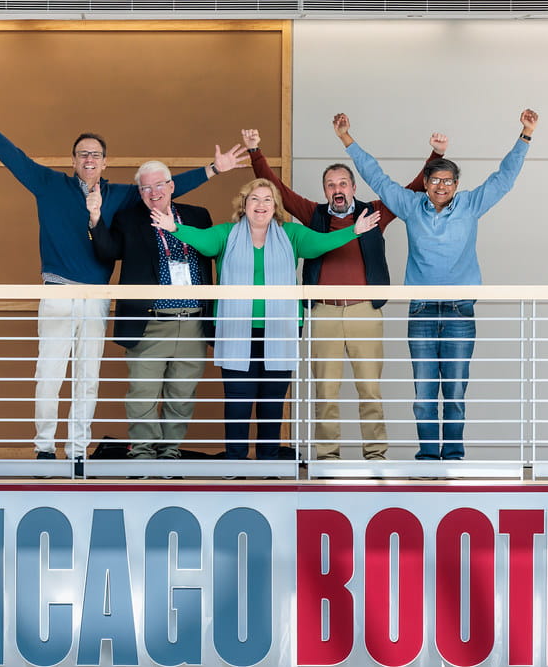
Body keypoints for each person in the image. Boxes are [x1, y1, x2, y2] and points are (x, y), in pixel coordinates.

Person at [0, 89, 245, 470]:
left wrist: (214, 169)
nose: (89, 159)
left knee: (87, 377)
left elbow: (161, 191)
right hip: (58, 290)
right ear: (73, 160)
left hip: (98, 297)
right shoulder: (48, 185)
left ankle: (76, 451)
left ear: (105, 163)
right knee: (50, 372)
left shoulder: (120, 196)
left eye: (95, 155)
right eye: (82, 154)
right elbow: (16, 160)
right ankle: (44, 448)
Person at [334, 109, 538, 461]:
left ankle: (454, 457)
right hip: (422, 312)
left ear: (456, 185)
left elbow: (504, 178)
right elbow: (377, 179)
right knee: (425, 393)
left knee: (455, 391)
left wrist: (526, 134)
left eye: (448, 181)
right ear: (425, 184)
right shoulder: (412, 206)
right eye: (435, 180)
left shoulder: (471, 205)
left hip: (460, 312)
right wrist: (346, 140)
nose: (441, 186)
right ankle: (429, 458)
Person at [240, 126, 446, 462]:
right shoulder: (314, 215)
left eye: (342, 183)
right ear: (325, 190)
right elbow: (277, 189)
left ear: (353, 187)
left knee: (370, 391)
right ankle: (327, 459)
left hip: (365, 311)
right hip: (323, 313)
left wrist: (435, 156)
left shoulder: (374, 212)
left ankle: (376, 456)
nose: (337, 189)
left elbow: (410, 191)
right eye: (331, 185)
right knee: (326, 393)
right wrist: (255, 152)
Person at [149, 178, 380, 461]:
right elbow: (204, 243)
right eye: (254, 199)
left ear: (276, 206)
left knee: (272, 403)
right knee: (237, 404)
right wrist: (175, 229)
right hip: (236, 333)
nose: (261, 205)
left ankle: (270, 460)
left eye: (267, 199)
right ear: (244, 205)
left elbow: (320, 244)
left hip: (279, 333)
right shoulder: (226, 233)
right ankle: (235, 461)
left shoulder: (292, 234)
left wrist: (353, 232)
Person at [89, 160, 213, 462]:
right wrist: (95, 218)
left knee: (181, 397)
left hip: (193, 322)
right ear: (140, 193)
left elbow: (214, 248)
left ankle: (169, 455)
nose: (153, 192)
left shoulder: (198, 216)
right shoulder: (128, 219)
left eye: (159, 185)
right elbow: (108, 250)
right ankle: (143, 456)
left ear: (171, 186)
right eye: (145, 187)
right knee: (142, 396)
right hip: (150, 322)